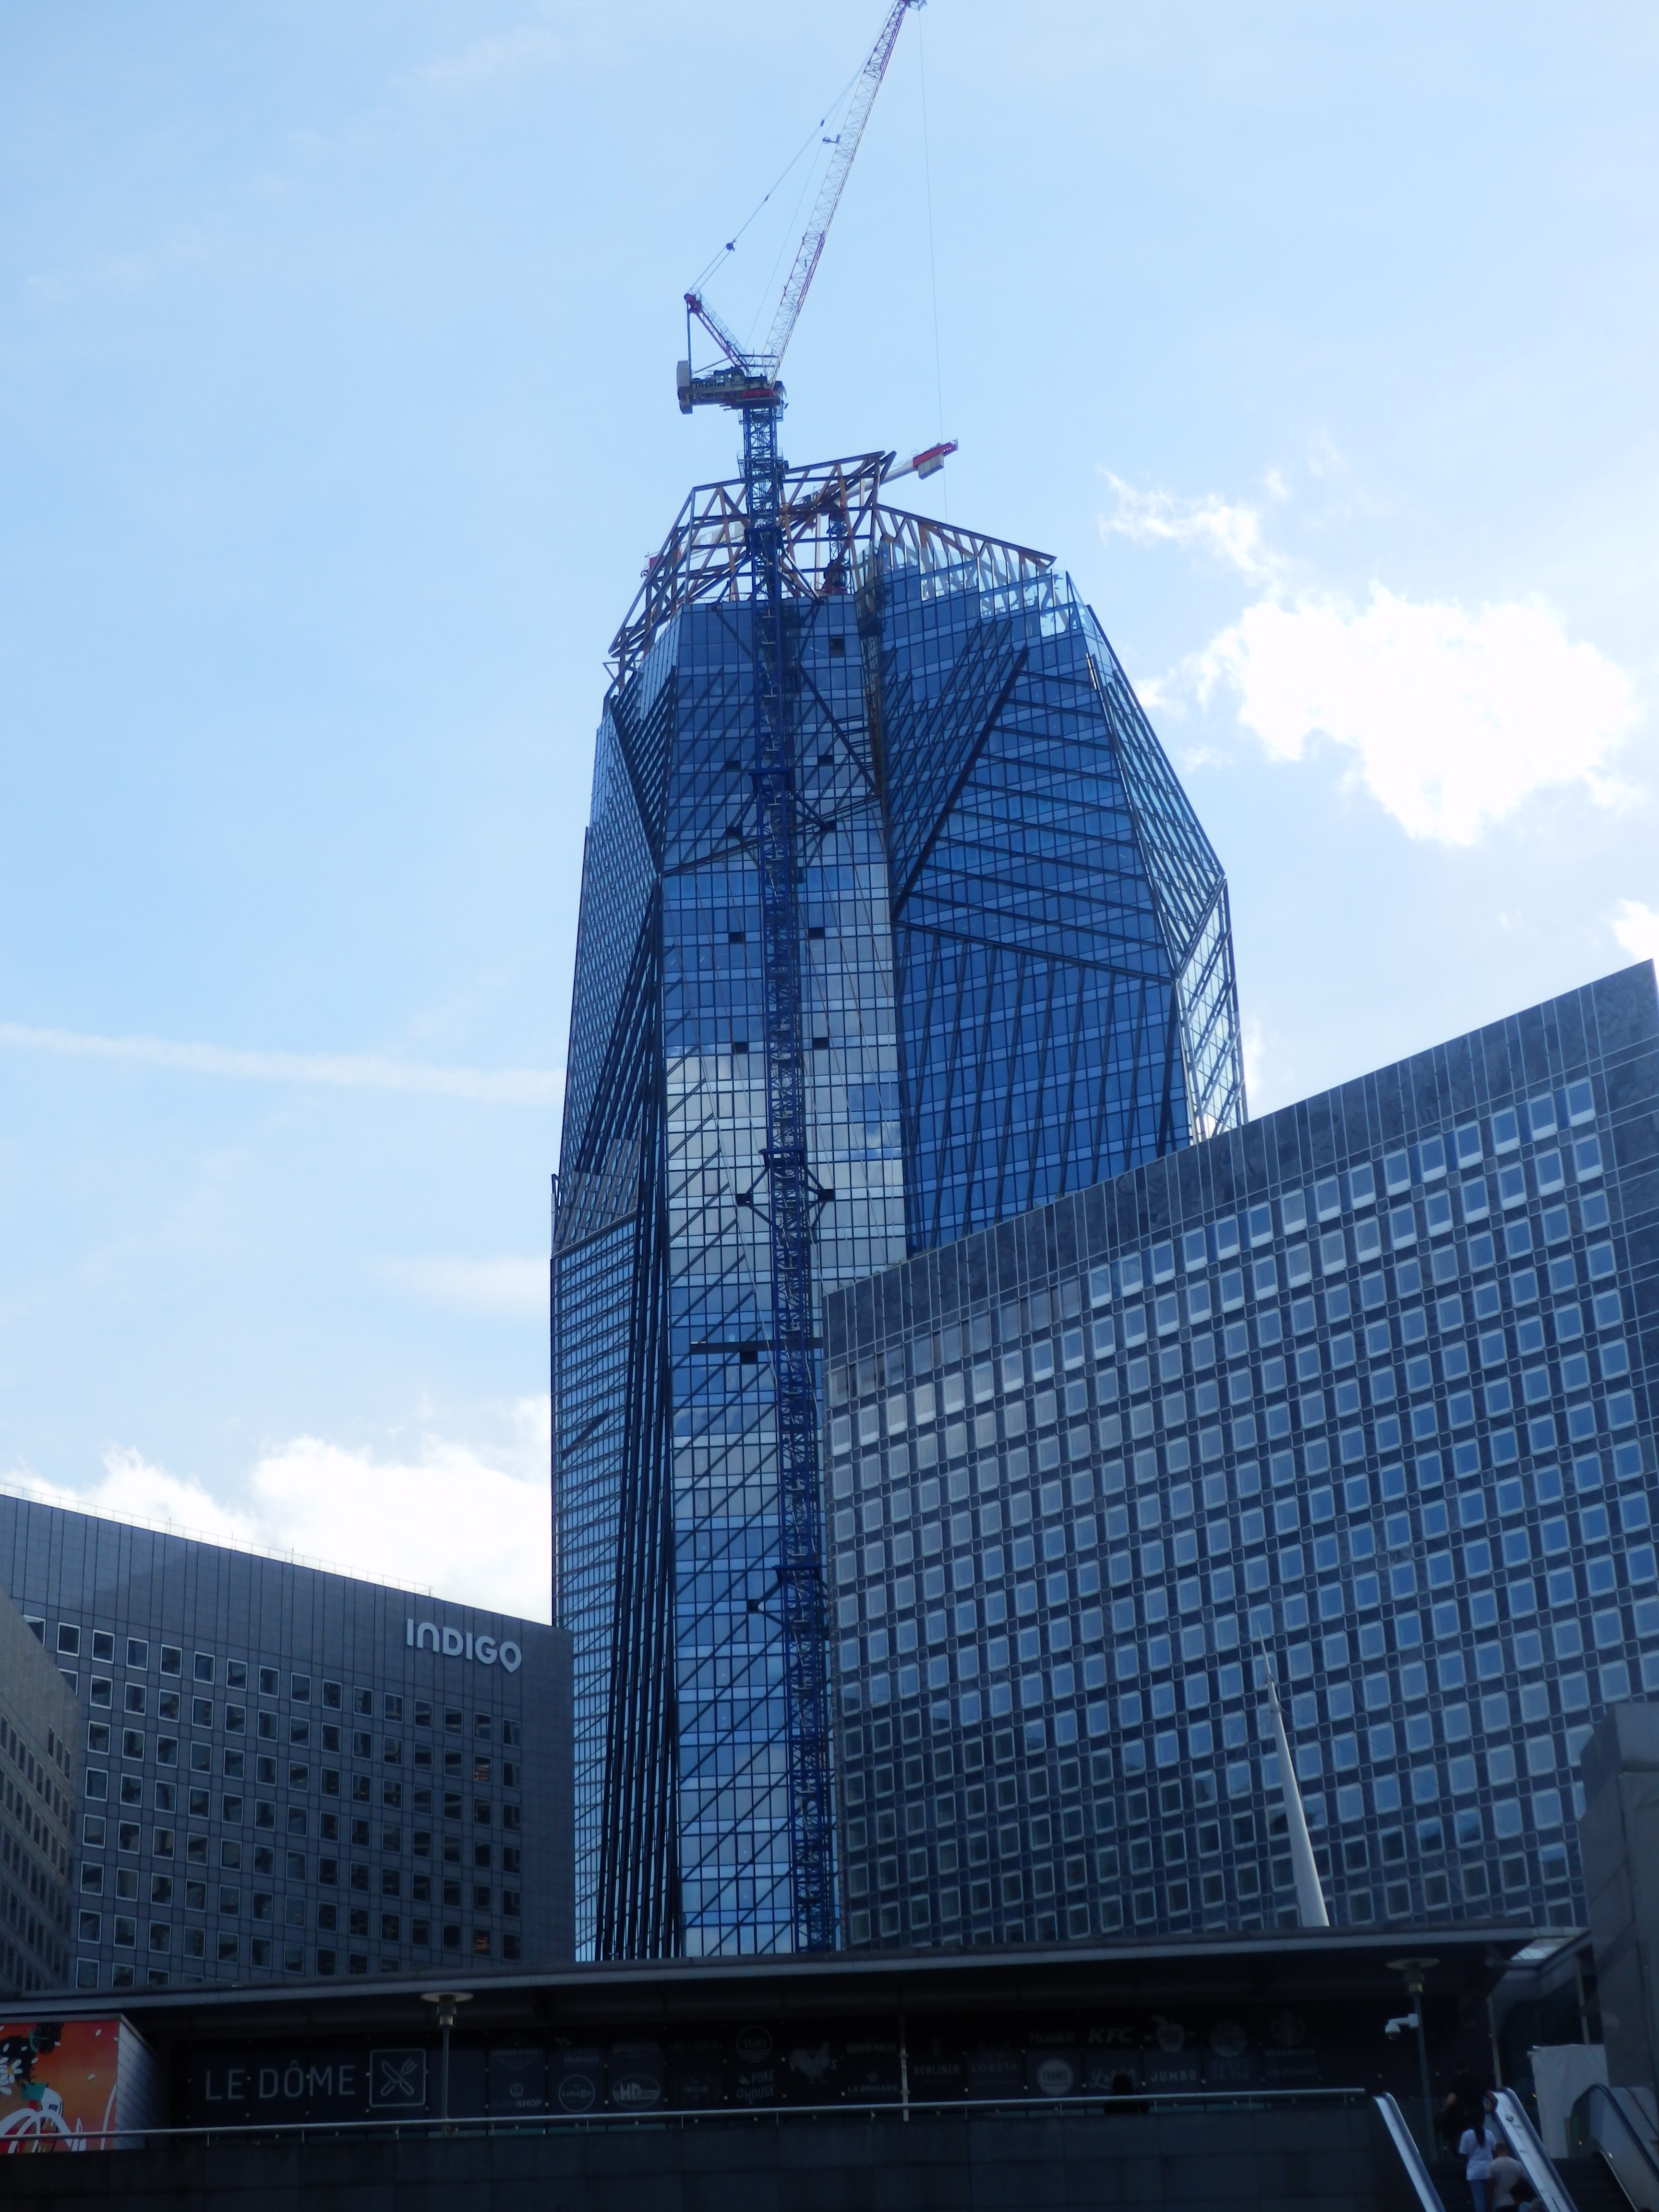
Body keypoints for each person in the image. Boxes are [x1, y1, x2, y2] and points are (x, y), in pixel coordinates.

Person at [1459, 2094, 1500, 2212]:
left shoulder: (1467, 2135)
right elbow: (1495, 2151)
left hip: (1474, 2171)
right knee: (1491, 2199)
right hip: (1489, 2170)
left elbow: (1463, 2154)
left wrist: (1466, 2166)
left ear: (1470, 2121)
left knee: (1479, 2199)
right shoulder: (1489, 2134)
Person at [1489, 2139, 1525, 2212]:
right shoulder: (1518, 2164)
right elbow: (1524, 2183)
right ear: (1508, 2150)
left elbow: (1490, 2188)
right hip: (1516, 2203)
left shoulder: (1493, 2166)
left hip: (1501, 2204)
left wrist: (1488, 2207)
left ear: (1496, 2151)